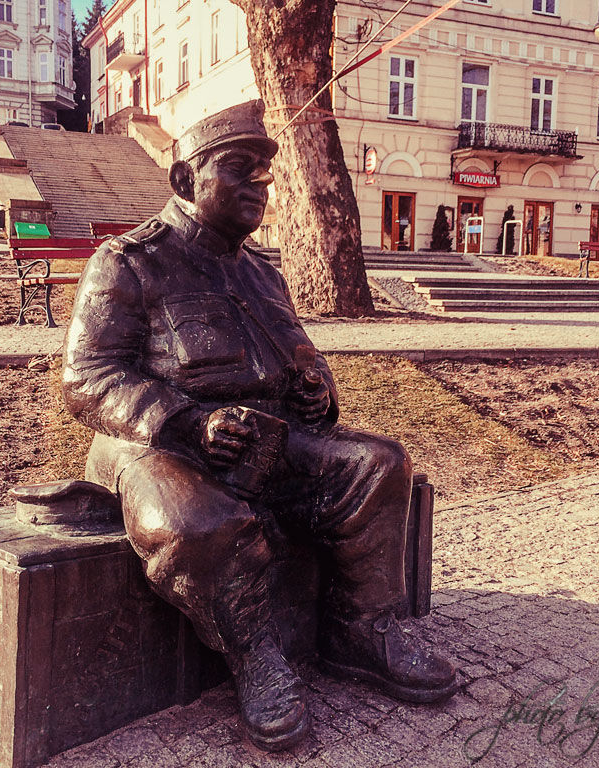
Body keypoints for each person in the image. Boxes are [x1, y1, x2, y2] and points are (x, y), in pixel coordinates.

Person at [61, 100, 455, 752]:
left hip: (264, 439)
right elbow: (89, 376)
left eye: (266, 174)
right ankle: (256, 657)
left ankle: (359, 629)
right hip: (158, 443)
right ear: (186, 180)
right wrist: (186, 424)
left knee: (379, 465)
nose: (260, 186)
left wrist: (313, 390)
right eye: (240, 169)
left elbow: (304, 356)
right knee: (199, 523)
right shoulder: (130, 262)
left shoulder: (261, 271)